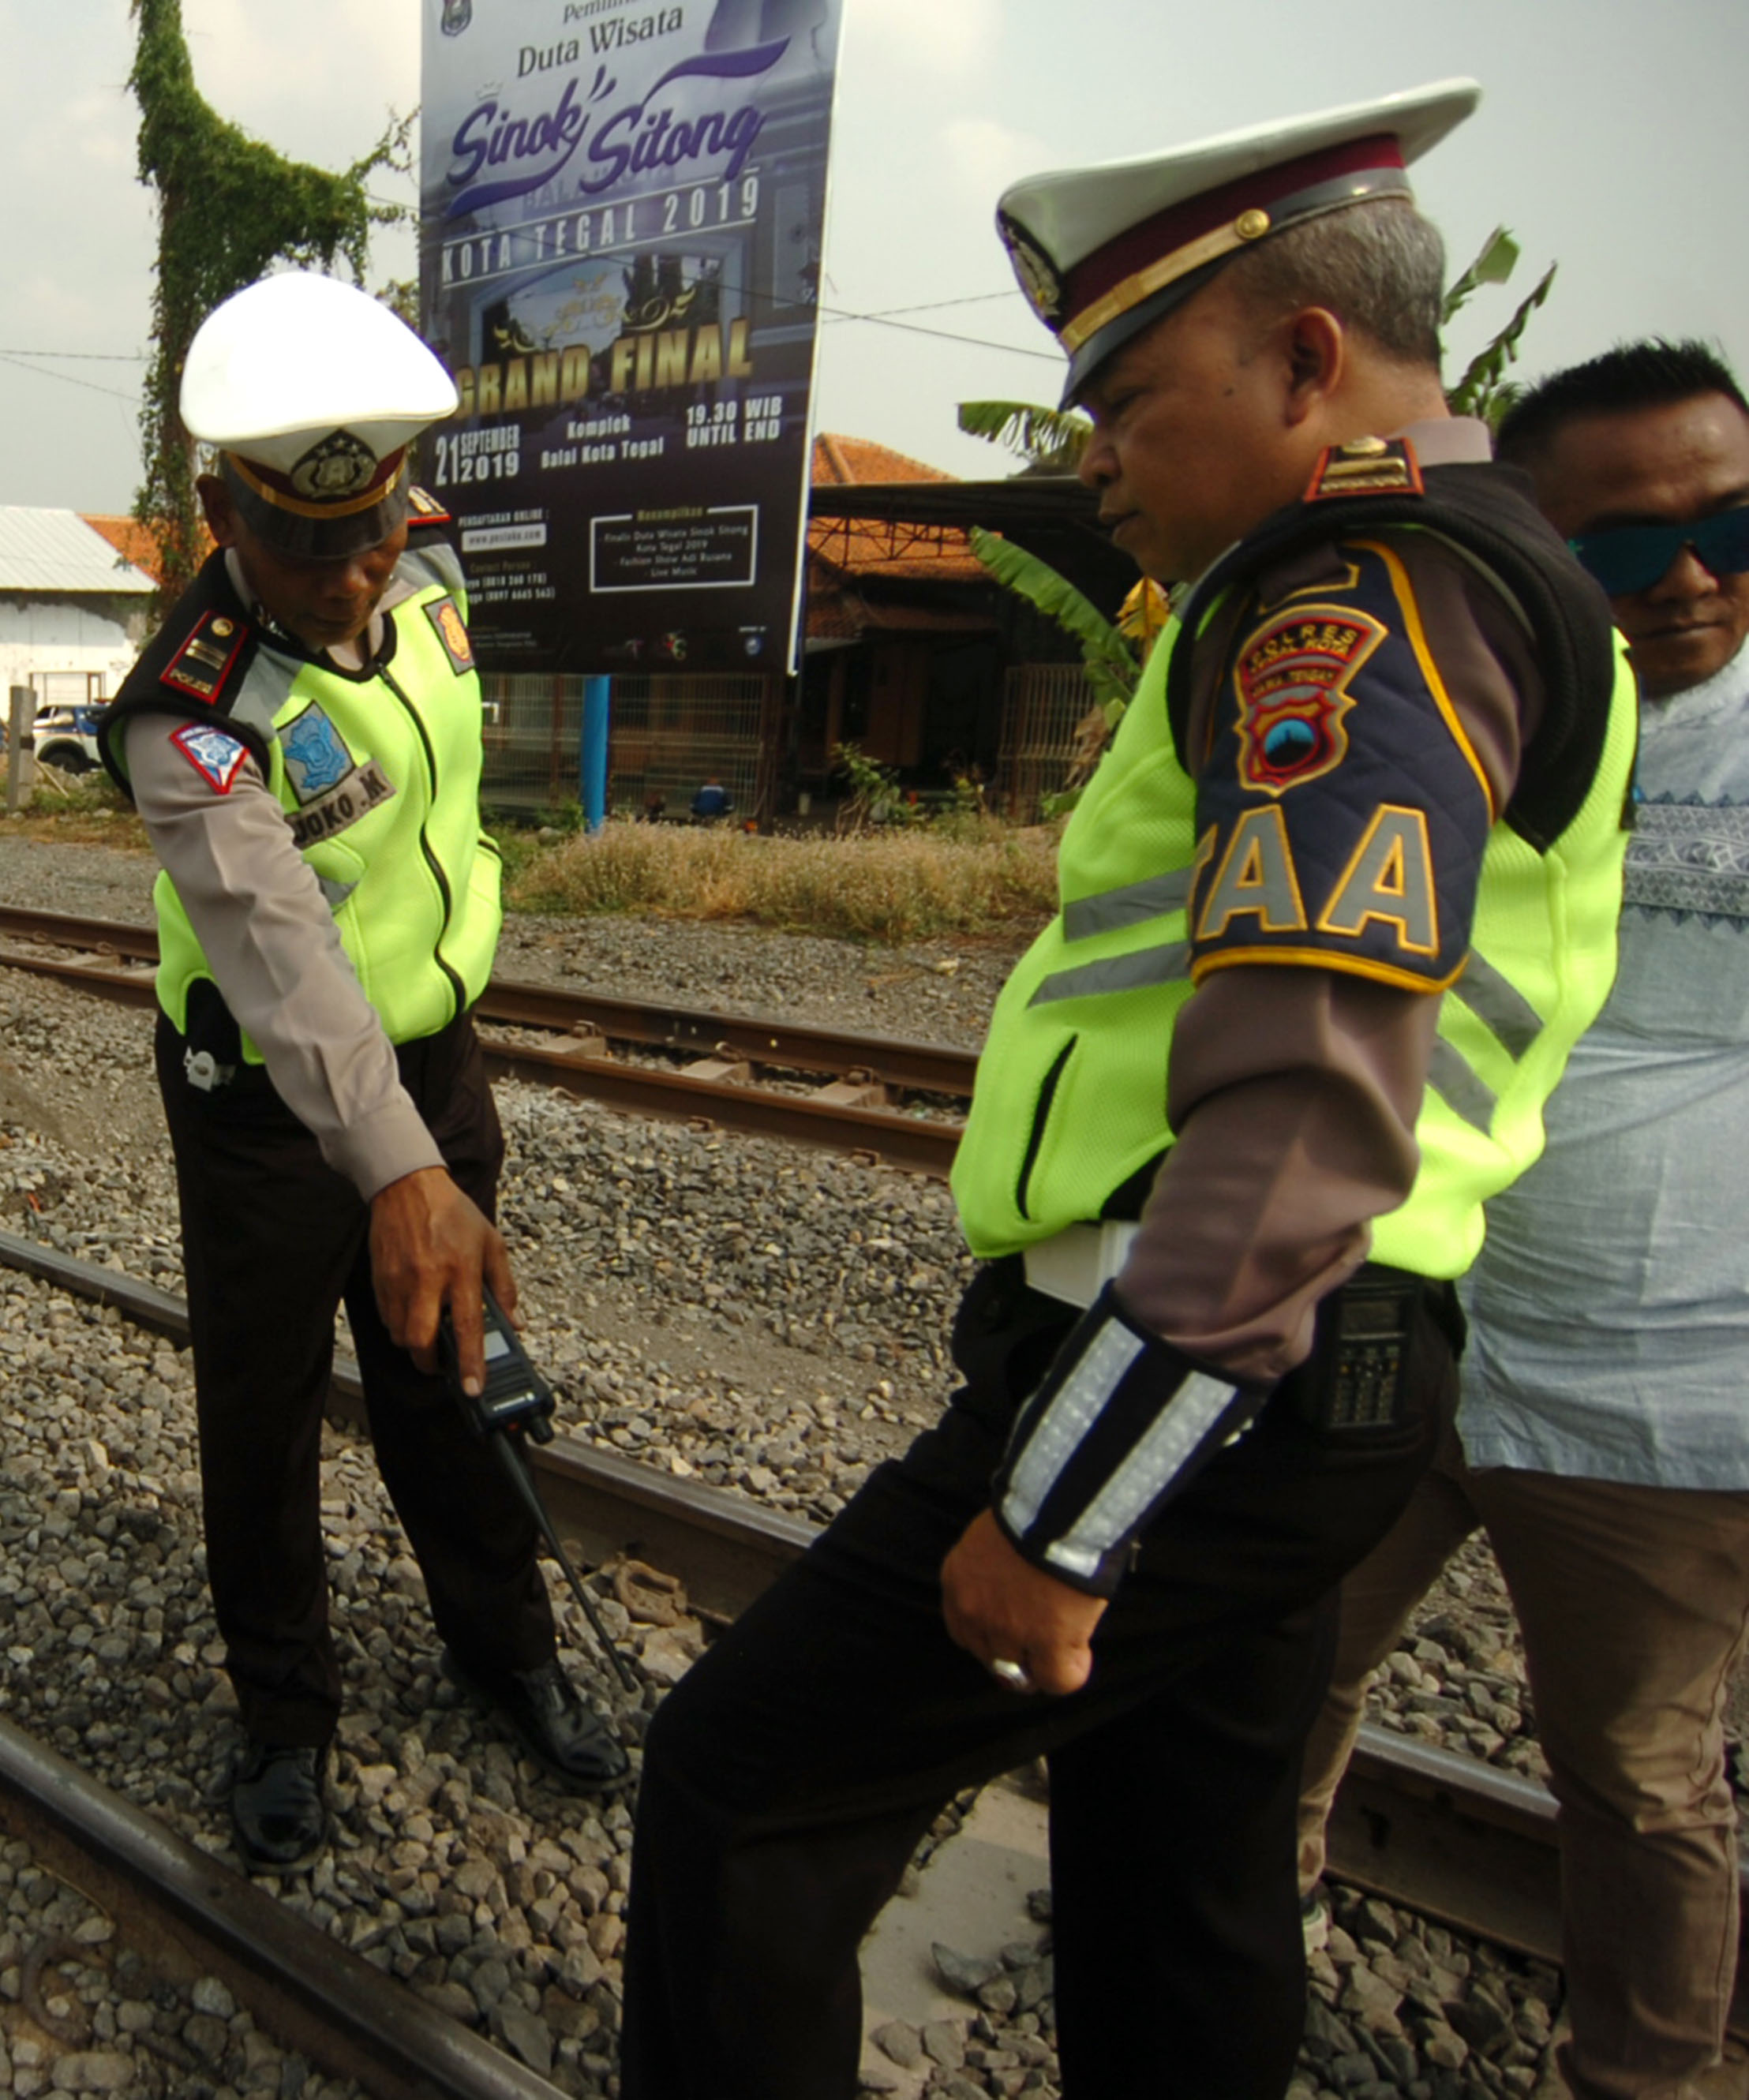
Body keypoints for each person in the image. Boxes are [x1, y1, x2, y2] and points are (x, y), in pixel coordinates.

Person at [621, 80, 1639, 2100]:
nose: (1092, 461)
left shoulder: (1358, 599)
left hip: (1201, 1370)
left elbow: (1300, 1100)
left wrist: (1068, 1509)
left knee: (743, 1786)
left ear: (1304, 356)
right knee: (1176, 1877)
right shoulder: (1465, 571)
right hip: (1304, 1377)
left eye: (1124, 396)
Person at [93, 271, 625, 1868]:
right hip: (266, 1099)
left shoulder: (430, 556)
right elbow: (277, 958)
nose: (348, 575)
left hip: (435, 1059)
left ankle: (502, 1643)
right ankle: (280, 1710)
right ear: (215, 513)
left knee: (454, 1378)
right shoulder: (183, 712)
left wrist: (428, 1136)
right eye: (305, 547)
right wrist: (399, 1173)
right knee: (259, 1420)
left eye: (372, 531)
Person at [1294, 340, 1749, 2100]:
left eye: (1726, 523)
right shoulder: (1446, 707)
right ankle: (1233, 1953)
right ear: (1538, 553)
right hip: (1404, 1307)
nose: (1690, 577)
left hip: (1656, 1392)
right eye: (1625, 553)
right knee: (1282, 1677)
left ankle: (1645, 2079)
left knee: (1637, 1778)